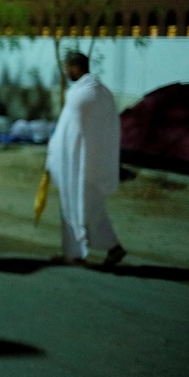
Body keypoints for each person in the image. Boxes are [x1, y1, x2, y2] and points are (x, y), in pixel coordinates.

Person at [46, 51, 127, 267]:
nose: (66, 72)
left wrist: (53, 157)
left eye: (67, 68)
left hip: (77, 165)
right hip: (95, 163)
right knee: (93, 210)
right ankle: (108, 248)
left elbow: (67, 133)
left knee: (74, 209)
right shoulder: (102, 92)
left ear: (74, 67)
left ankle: (78, 254)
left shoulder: (80, 94)